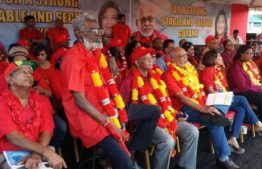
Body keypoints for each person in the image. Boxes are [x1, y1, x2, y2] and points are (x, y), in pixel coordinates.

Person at [61, 13, 160, 169]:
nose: (100, 34)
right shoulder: (73, 58)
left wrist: (115, 112)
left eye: (100, 31)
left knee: (153, 111)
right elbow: (79, 100)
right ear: (80, 34)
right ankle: (125, 160)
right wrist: (108, 122)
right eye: (94, 31)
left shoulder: (96, 55)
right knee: (125, 165)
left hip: (110, 110)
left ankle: (131, 152)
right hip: (92, 119)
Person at [120, 46, 199, 169]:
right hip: (145, 124)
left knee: (192, 131)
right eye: (146, 59)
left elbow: (165, 102)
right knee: (167, 141)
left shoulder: (156, 77)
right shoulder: (129, 81)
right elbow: (122, 109)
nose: (151, 61)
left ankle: (185, 166)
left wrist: (175, 113)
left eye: (152, 58)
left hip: (166, 117)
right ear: (136, 62)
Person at [162, 47, 240, 169]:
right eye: (181, 56)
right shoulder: (168, 75)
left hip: (198, 103)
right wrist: (203, 109)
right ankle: (223, 158)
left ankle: (218, 117)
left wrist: (205, 105)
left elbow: (198, 90)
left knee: (217, 115)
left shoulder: (190, 70)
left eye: (185, 55)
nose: (185, 58)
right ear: (172, 60)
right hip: (182, 108)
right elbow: (182, 98)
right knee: (213, 119)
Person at [199, 49, 262, 154]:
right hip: (214, 101)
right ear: (214, 59)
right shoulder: (208, 71)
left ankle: (233, 138)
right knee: (242, 99)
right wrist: (226, 96)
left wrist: (227, 94)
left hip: (222, 97)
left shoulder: (216, 69)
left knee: (241, 109)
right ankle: (258, 124)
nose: (222, 58)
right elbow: (211, 91)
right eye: (219, 57)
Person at [0, 60, 67, 169]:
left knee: (55, 164)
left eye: (30, 72)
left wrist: (37, 154)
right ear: (10, 79)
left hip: (39, 150)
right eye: (22, 71)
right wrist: (46, 152)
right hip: (9, 152)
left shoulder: (43, 100)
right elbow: (13, 137)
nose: (28, 74)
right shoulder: (1, 103)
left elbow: (47, 131)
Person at [228, 45, 262, 127]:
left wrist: (260, 87)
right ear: (241, 54)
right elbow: (243, 87)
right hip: (242, 92)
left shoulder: (250, 63)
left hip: (252, 88)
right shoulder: (235, 67)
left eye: (252, 53)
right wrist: (260, 88)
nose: (251, 55)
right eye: (248, 53)